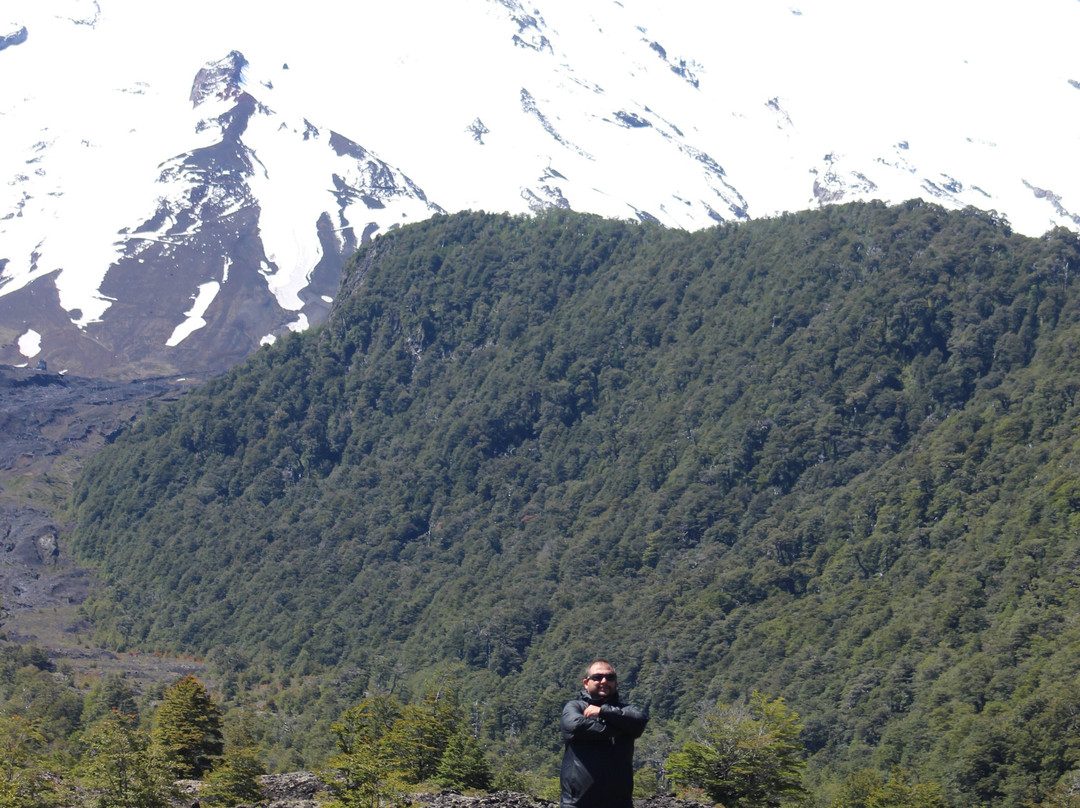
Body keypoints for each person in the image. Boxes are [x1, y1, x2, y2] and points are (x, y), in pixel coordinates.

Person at [560, 660, 649, 808]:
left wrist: (603, 711)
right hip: (577, 803)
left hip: (619, 803)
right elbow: (575, 726)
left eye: (610, 677)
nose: (604, 681)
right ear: (586, 683)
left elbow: (639, 721)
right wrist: (621, 728)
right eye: (597, 677)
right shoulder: (575, 707)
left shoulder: (626, 710)